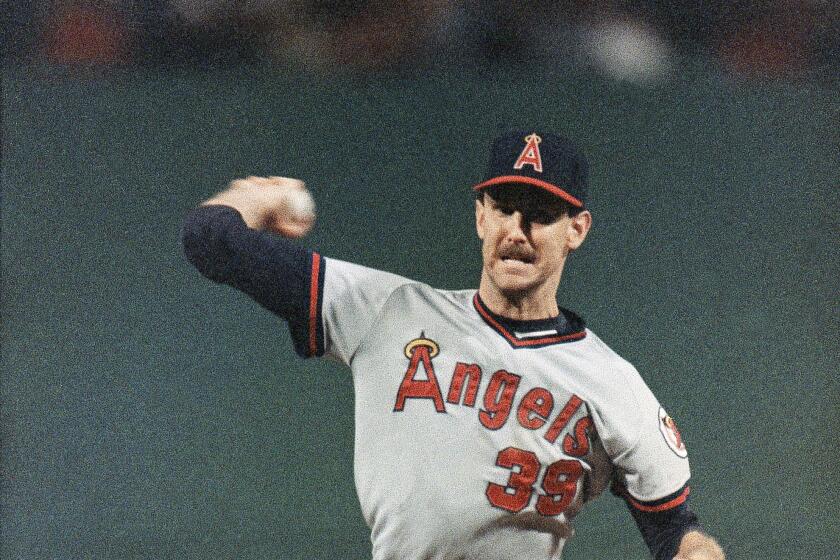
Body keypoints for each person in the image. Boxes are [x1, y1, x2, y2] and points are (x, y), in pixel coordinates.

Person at [181, 131, 725, 560]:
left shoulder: (613, 384)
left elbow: (675, 529)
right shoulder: (389, 311)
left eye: (540, 214)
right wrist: (256, 194)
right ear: (480, 216)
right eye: (505, 206)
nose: (518, 229)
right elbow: (211, 242)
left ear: (576, 230)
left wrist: (697, 552)